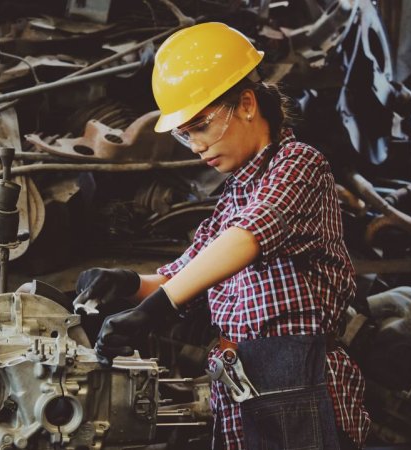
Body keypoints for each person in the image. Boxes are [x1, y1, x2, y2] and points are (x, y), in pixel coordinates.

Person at [75, 22, 370, 450]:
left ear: (247, 104)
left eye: (200, 126)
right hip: (242, 383)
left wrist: (156, 308)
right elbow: (184, 277)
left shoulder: (299, 164)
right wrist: (125, 282)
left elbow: (249, 237)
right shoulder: (232, 197)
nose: (195, 145)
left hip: (295, 382)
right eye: (184, 134)